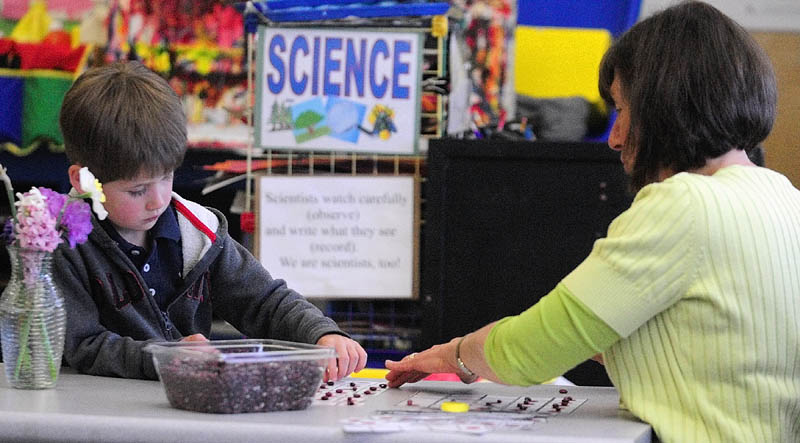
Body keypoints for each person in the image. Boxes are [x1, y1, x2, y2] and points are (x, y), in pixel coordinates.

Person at [385, 2, 800, 442]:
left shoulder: (684, 202)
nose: (615, 138)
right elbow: (706, 346)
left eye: (622, 111)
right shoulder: (782, 194)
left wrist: (454, 356)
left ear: (666, 106)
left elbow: (533, 349)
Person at [54, 61, 367, 381]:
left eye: (166, 177)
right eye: (137, 190)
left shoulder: (197, 232)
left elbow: (263, 301)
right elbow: (82, 345)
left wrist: (321, 334)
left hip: (185, 406)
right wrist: (163, 358)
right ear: (84, 180)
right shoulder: (59, 244)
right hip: (95, 412)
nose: (159, 200)